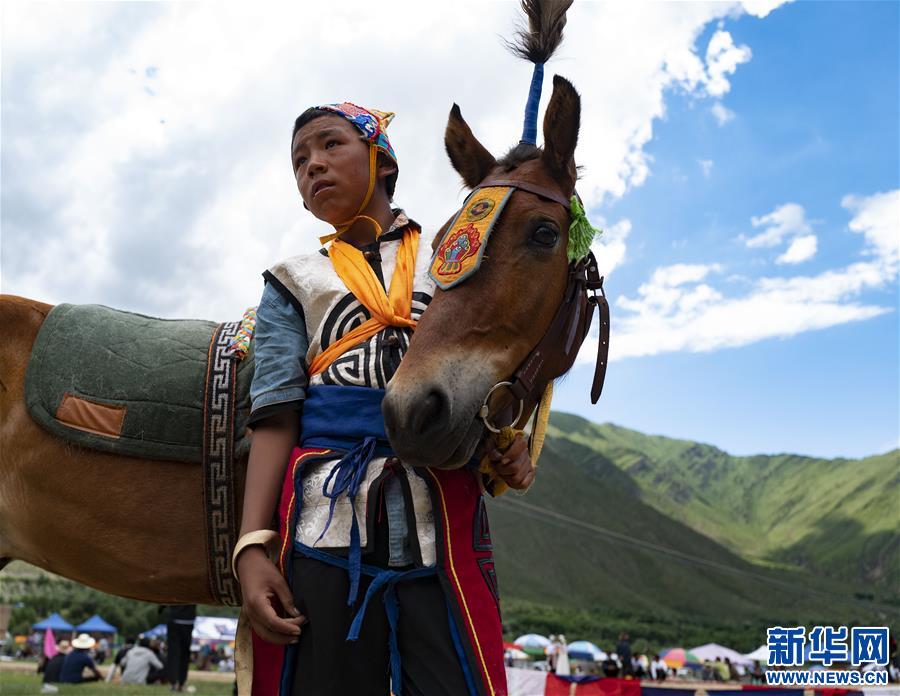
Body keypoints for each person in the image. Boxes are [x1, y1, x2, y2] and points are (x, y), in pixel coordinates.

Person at [234, 102, 535, 696]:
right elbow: (274, 411)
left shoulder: (457, 256)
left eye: (330, 146)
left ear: (382, 159)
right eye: (299, 160)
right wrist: (252, 547)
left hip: (441, 507)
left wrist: (512, 442)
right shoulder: (291, 278)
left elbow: (496, 364)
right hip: (324, 512)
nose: (313, 165)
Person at [161, 604, 196, 691]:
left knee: (173, 653)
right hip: (188, 620)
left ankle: (174, 683)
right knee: (185, 654)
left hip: (175, 619)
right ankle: (181, 683)